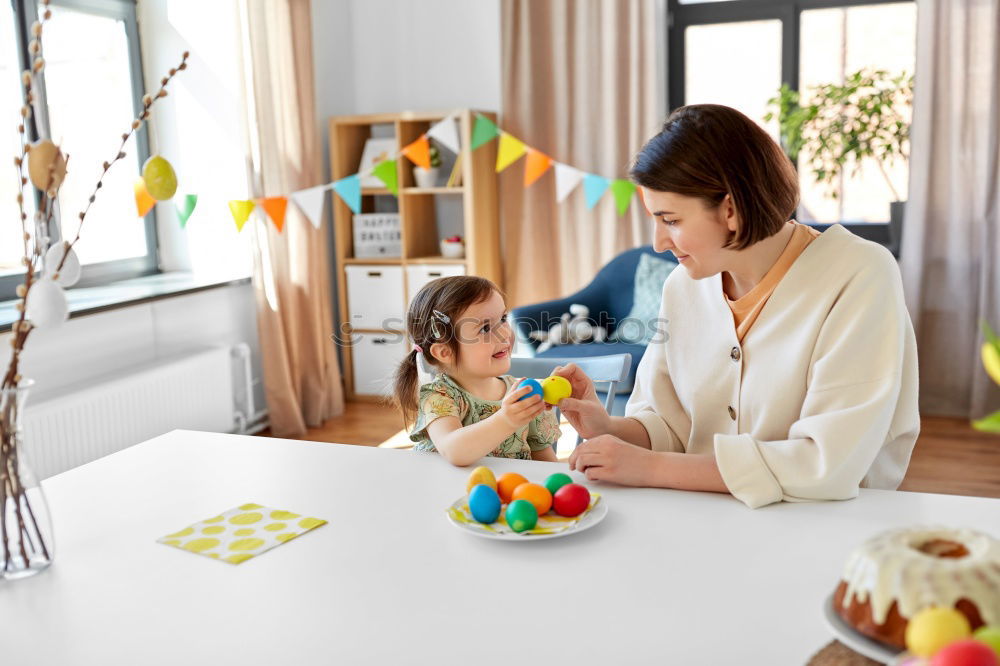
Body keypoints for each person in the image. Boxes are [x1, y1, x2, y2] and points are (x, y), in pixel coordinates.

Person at [557, 104, 919, 509]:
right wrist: (608, 427)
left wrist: (652, 468)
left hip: (826, 526)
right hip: (705, 520)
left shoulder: (858, 274)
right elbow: (670, 424)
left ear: (731, 209)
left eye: (671, 220)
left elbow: (827, 463)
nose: (659, 242)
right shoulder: (682, 286)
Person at [393, 276, 560, 466]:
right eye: (485, 328)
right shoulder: (439, 397)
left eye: (503, 319)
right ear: (445, 352)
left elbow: (547, 466)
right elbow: (454, 451)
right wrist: (506, 420)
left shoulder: (520, 394)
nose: (505, 333)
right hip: (445, 491)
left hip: (502, 493)